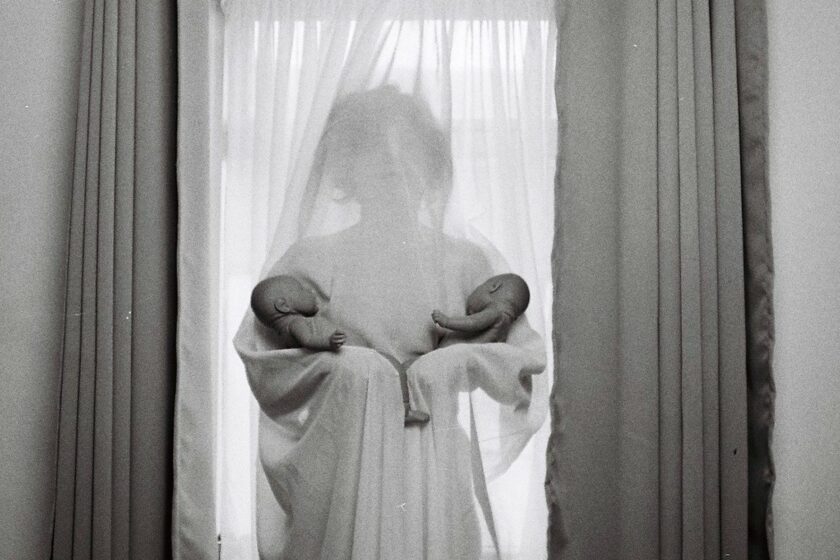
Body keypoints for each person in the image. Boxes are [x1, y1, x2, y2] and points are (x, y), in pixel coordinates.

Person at [234, 85, 546, 560]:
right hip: (344, 468)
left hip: (434, 464)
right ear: (346, 170)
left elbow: (521, 358)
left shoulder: (465, 260)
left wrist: (457, 360)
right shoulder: (315, 257)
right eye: (373, 148)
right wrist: (345, 365)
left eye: (408, 149)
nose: (391, 161)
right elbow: (268, 356)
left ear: (432, 168)